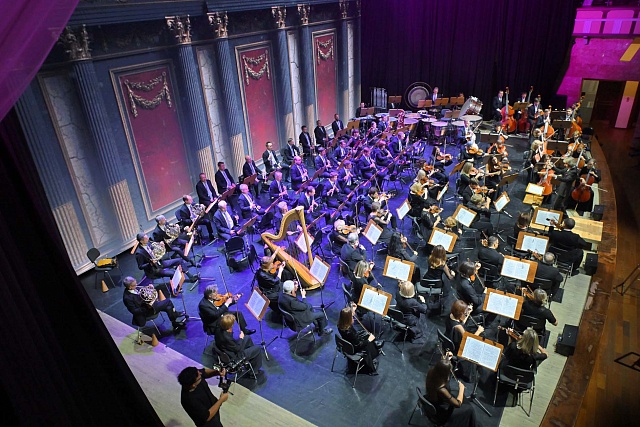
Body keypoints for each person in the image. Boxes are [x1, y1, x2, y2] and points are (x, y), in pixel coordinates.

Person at [424, 356, 479, 427]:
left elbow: (441, 367)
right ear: (444, 374)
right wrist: (461, 389)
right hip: (441, 414)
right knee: (470, 409)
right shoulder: (442, 390)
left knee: (458, 395)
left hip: (434, 400)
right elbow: (458, 404)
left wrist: (446, 360)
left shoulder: (431, 372)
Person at [337, 304, 383, 375]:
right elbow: (359, 345)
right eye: (352, 317)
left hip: (348, 343)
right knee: (368, 343)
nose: (353, 318)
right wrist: (369, 340)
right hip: (354, 348)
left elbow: (347, 315)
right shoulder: (349, 332)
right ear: (348, 319)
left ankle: (375, 344)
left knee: (365, 333)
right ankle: (371, 368)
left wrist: (352, 309)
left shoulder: (340, 324)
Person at [134, 233, 199, 282]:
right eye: (146, 239)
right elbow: (140, 266)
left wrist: (160, 245)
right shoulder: (139, 253)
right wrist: (150, 263)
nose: (148, 239)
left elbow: (154, 248)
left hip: (160, 263)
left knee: (179, 260)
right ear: (141, 241)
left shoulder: (148, 243)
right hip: (154, 270)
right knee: (173, 273)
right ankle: (174, 289)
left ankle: (190, 277)